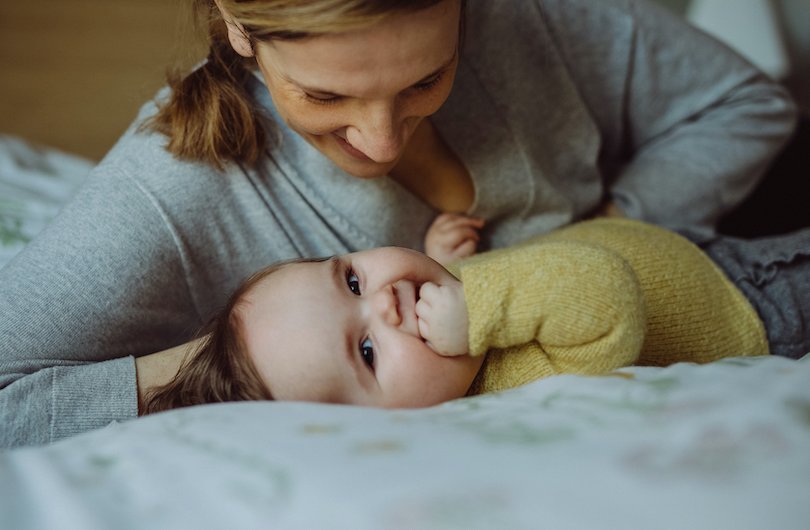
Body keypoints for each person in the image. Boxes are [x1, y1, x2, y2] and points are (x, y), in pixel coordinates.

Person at [0, 0, 797, 448]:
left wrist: (617, 223)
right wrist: (220, 371)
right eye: (325, 96)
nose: (380, 141)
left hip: (719, 274)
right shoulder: (171, 195)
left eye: (427, 78)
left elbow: (744, 102)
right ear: (237, 24)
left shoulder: (520, 18)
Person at [141, 217, 810, 414]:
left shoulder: (444, 322)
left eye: (350, 278)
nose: (385, 302)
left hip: (695, 249)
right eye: (368, 352)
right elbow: (599, 294)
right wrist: (478, 307)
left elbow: (499, 294)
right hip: (750, 303)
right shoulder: (512, 395)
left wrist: (450, 260)